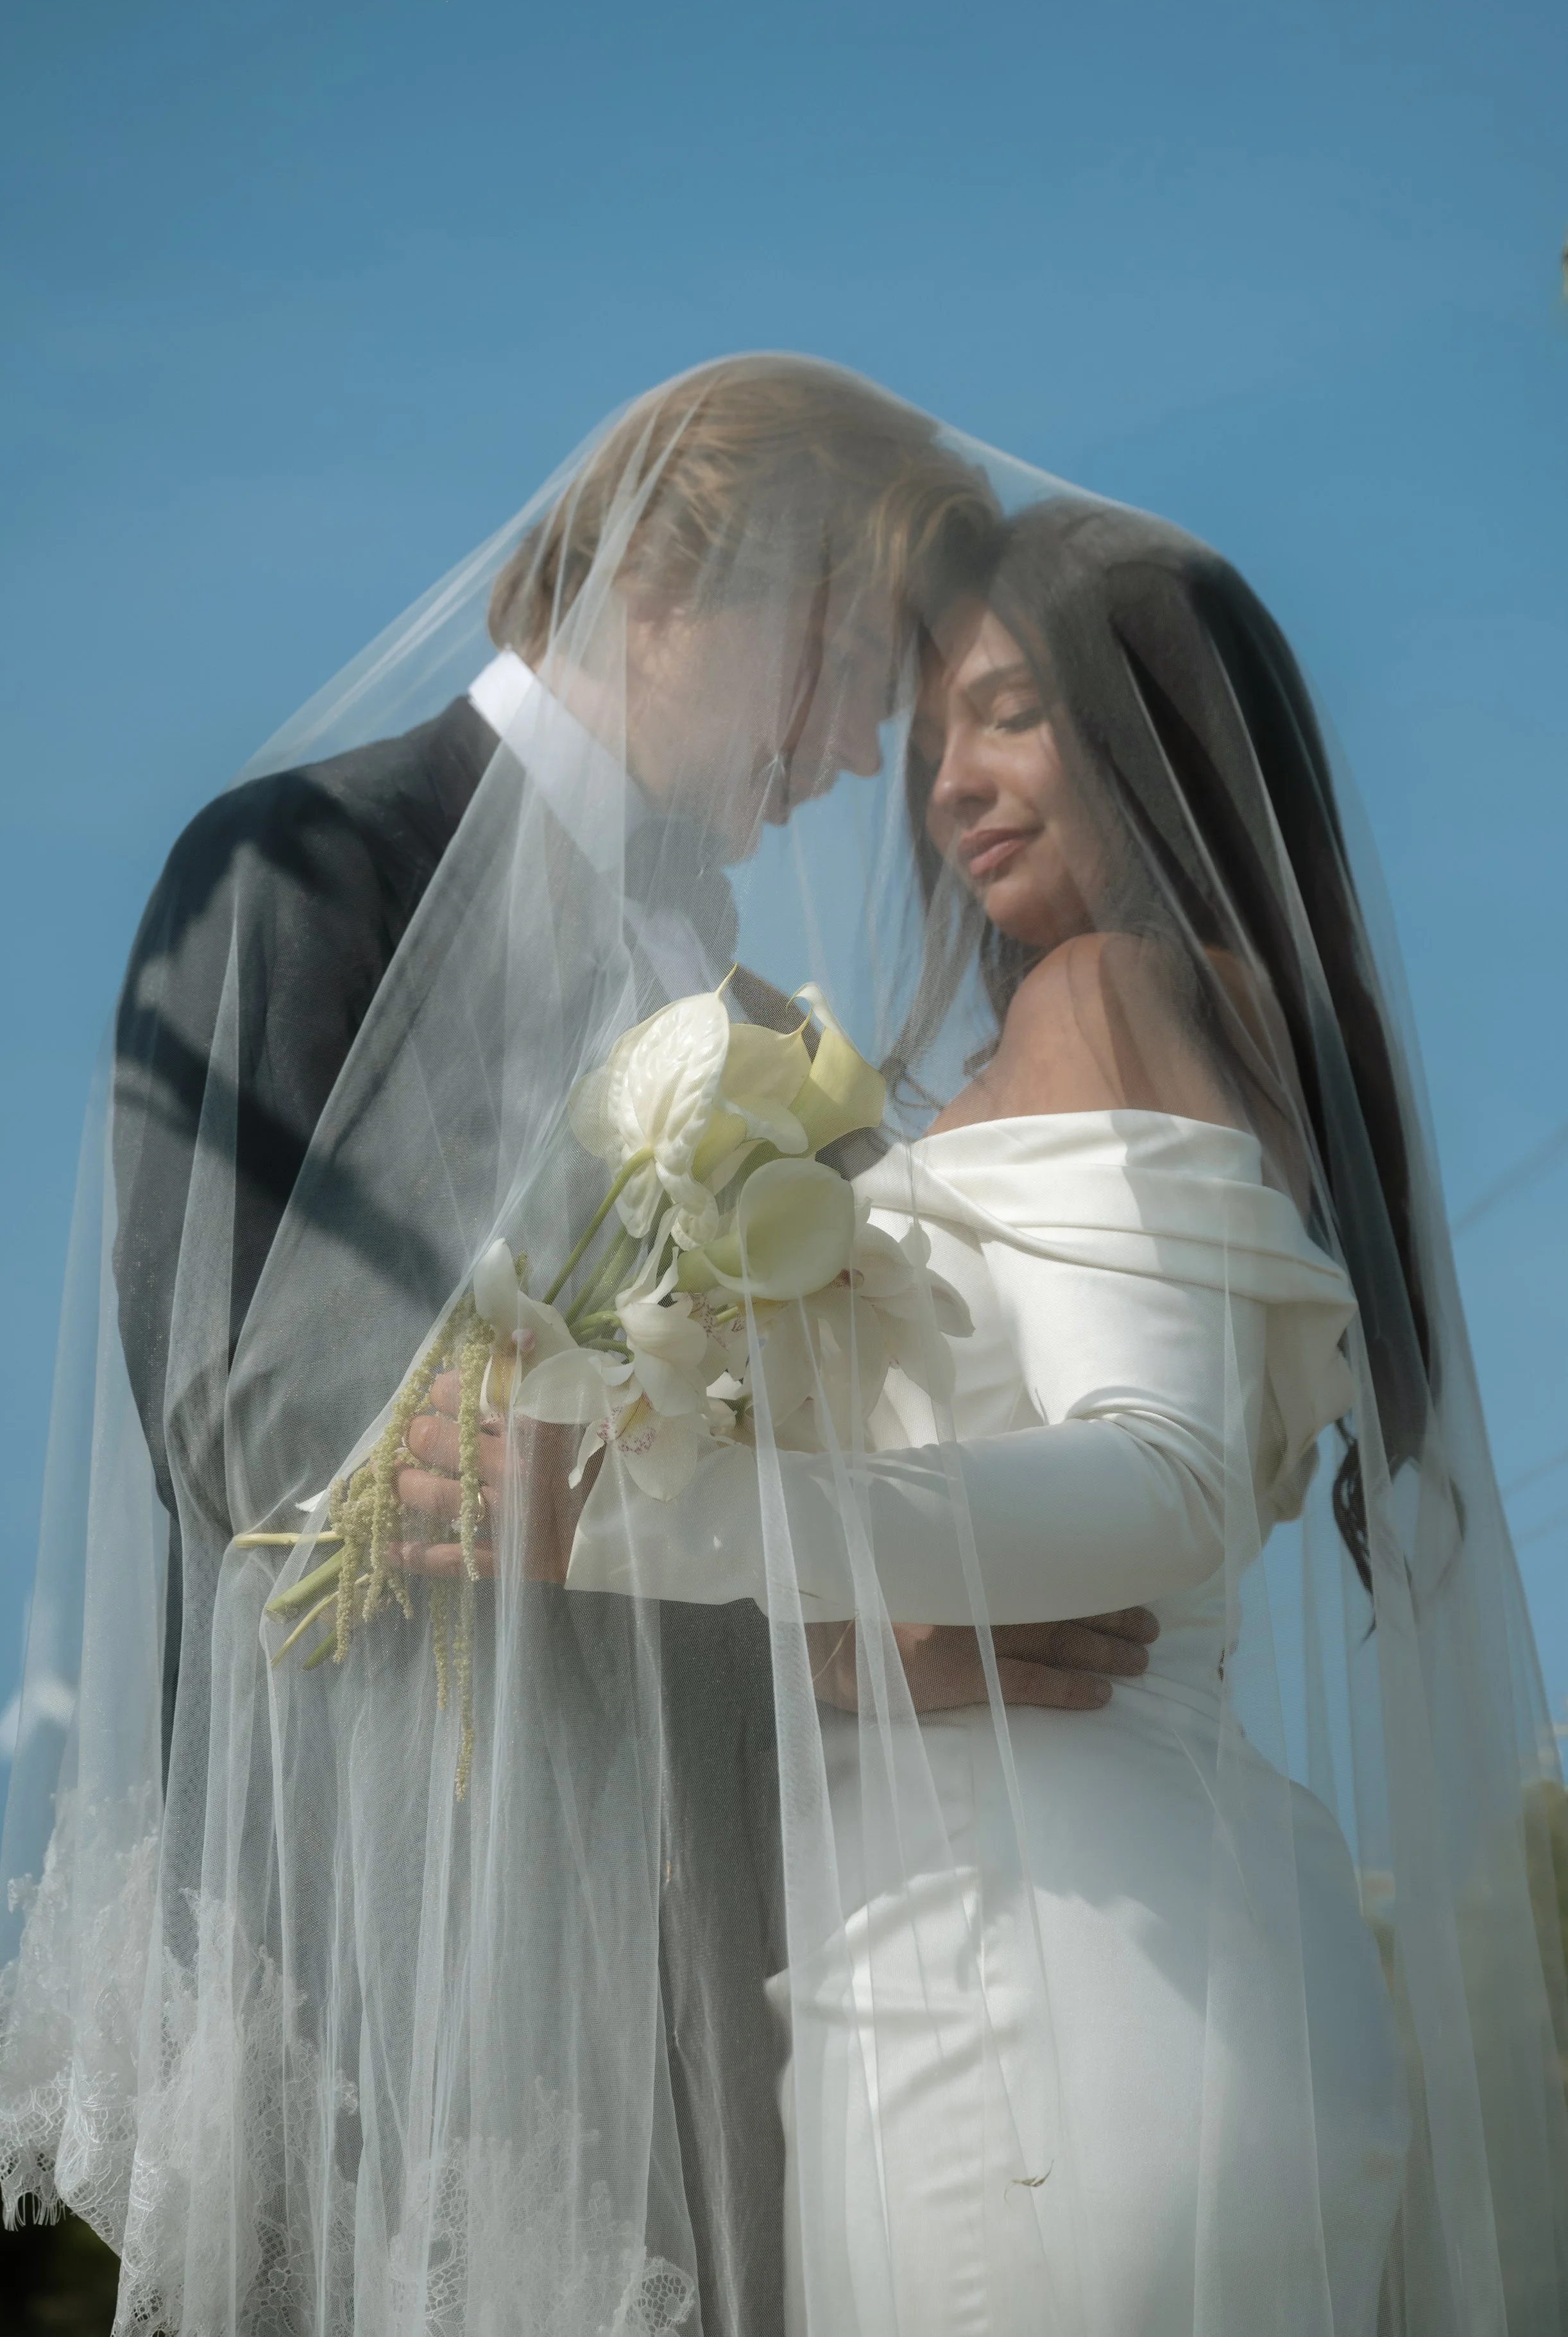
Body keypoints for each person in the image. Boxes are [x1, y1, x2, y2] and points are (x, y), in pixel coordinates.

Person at [0, 361, 1160, 2337]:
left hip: (735, 1979)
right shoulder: (303, 865)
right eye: (861, 657)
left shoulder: (763, 1025)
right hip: (403, 1998)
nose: (871, 750)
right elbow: (260, 1443)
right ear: (685, 586)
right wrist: (861, 1632)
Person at [497, 496, 1568, 2331]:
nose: (951, 784)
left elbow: (1152, 1480)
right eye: (930, 739)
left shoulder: (1108, 993)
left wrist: (634, 1513)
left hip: (1047, 1973)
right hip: (1067, 1942)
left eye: (1010, 712)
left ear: (1151, 733)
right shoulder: (1180, 1022)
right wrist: (831, 1636)